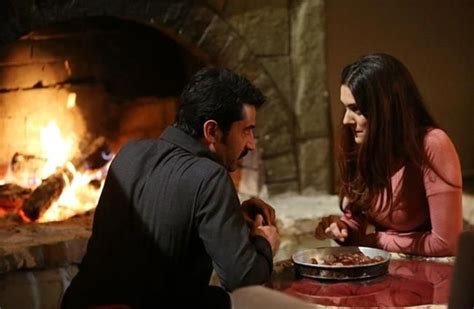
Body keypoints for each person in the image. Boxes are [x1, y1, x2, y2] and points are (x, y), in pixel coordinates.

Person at [61, 68, 280, 309]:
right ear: (211, 131)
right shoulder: (210, 176)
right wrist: (264, 243)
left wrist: (233, 216)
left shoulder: (129, 153)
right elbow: (242, 279)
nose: (251, 143)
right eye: (246, 130)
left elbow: (161, 223)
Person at [315, 53, 462, 257]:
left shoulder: (432, 144)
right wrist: (343, 229)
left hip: (429, 273)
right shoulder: (363, 144)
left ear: (385, 110)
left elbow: (447, 243)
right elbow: (357, 216)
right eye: (346, 108)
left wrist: (375, 240)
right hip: (385, 266)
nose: (346, 121)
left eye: (356, 109)